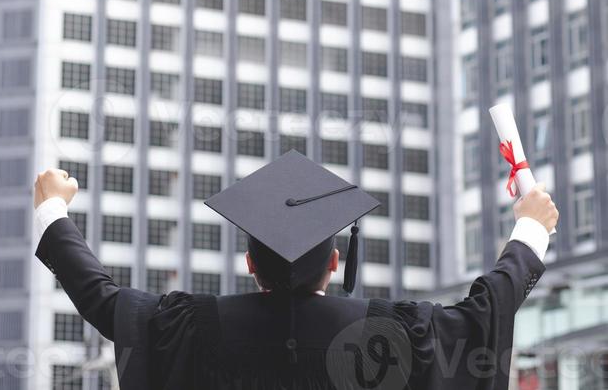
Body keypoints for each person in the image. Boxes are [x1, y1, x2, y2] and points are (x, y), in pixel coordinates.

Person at [34, 150, 559, 389]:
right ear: (335, 262)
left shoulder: (193, 326)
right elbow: (481, 313)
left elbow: (102, 298)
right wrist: (530, 227)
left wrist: (52, 209)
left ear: (249, 264)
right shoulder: (390, 333)